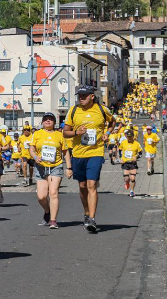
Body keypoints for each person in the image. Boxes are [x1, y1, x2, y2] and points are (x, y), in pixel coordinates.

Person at [63, 85, 114, 233]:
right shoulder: (73, 111)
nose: (81, 98)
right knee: (82, 186)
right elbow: (65, 132)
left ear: (92, 96)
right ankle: (86, 212)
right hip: (78, 154)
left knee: (92, 185)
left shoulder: (102, 110)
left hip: (95, 152)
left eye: (84, 96)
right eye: (79, 95)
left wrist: (107, 133)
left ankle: (92, 219)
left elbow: (112, 122)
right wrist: (76, 132)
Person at [30, 113, 72, 229]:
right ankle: (47, 211)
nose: (48, 121)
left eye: (50, 120)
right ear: (42, 122)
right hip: (41, 167)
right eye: (46, 120)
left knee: (53, 193)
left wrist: (69, 168)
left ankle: (53, 220)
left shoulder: (59, 135)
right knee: (41, 196)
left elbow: (65, 152)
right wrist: (35, 157)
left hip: (56, 166)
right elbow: (32, 149)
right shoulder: (37, 134)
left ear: (54, 122)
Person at [118, 129, 142, 198]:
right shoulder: (123, 142)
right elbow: (119, 150)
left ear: (133, 136)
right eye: (128, 137)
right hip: (125, 162)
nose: (129, 138)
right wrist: (120, 158)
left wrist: (136, 157)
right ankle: (127, 182)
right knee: (126, 178)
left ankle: (132, 191)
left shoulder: (137, 144)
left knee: (132, 178)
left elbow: (140, 153)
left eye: (130, 137)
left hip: (132, 163)